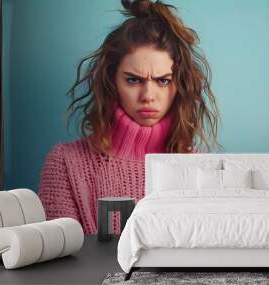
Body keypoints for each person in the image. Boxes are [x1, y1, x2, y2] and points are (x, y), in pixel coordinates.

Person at [38, 0, 223, 234]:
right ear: (111, 80)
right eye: (133, 80)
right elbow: (62, 263)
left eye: (163, 81)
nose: (148, 96)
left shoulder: (203, 169)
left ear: (180, 85)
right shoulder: (65, 163)